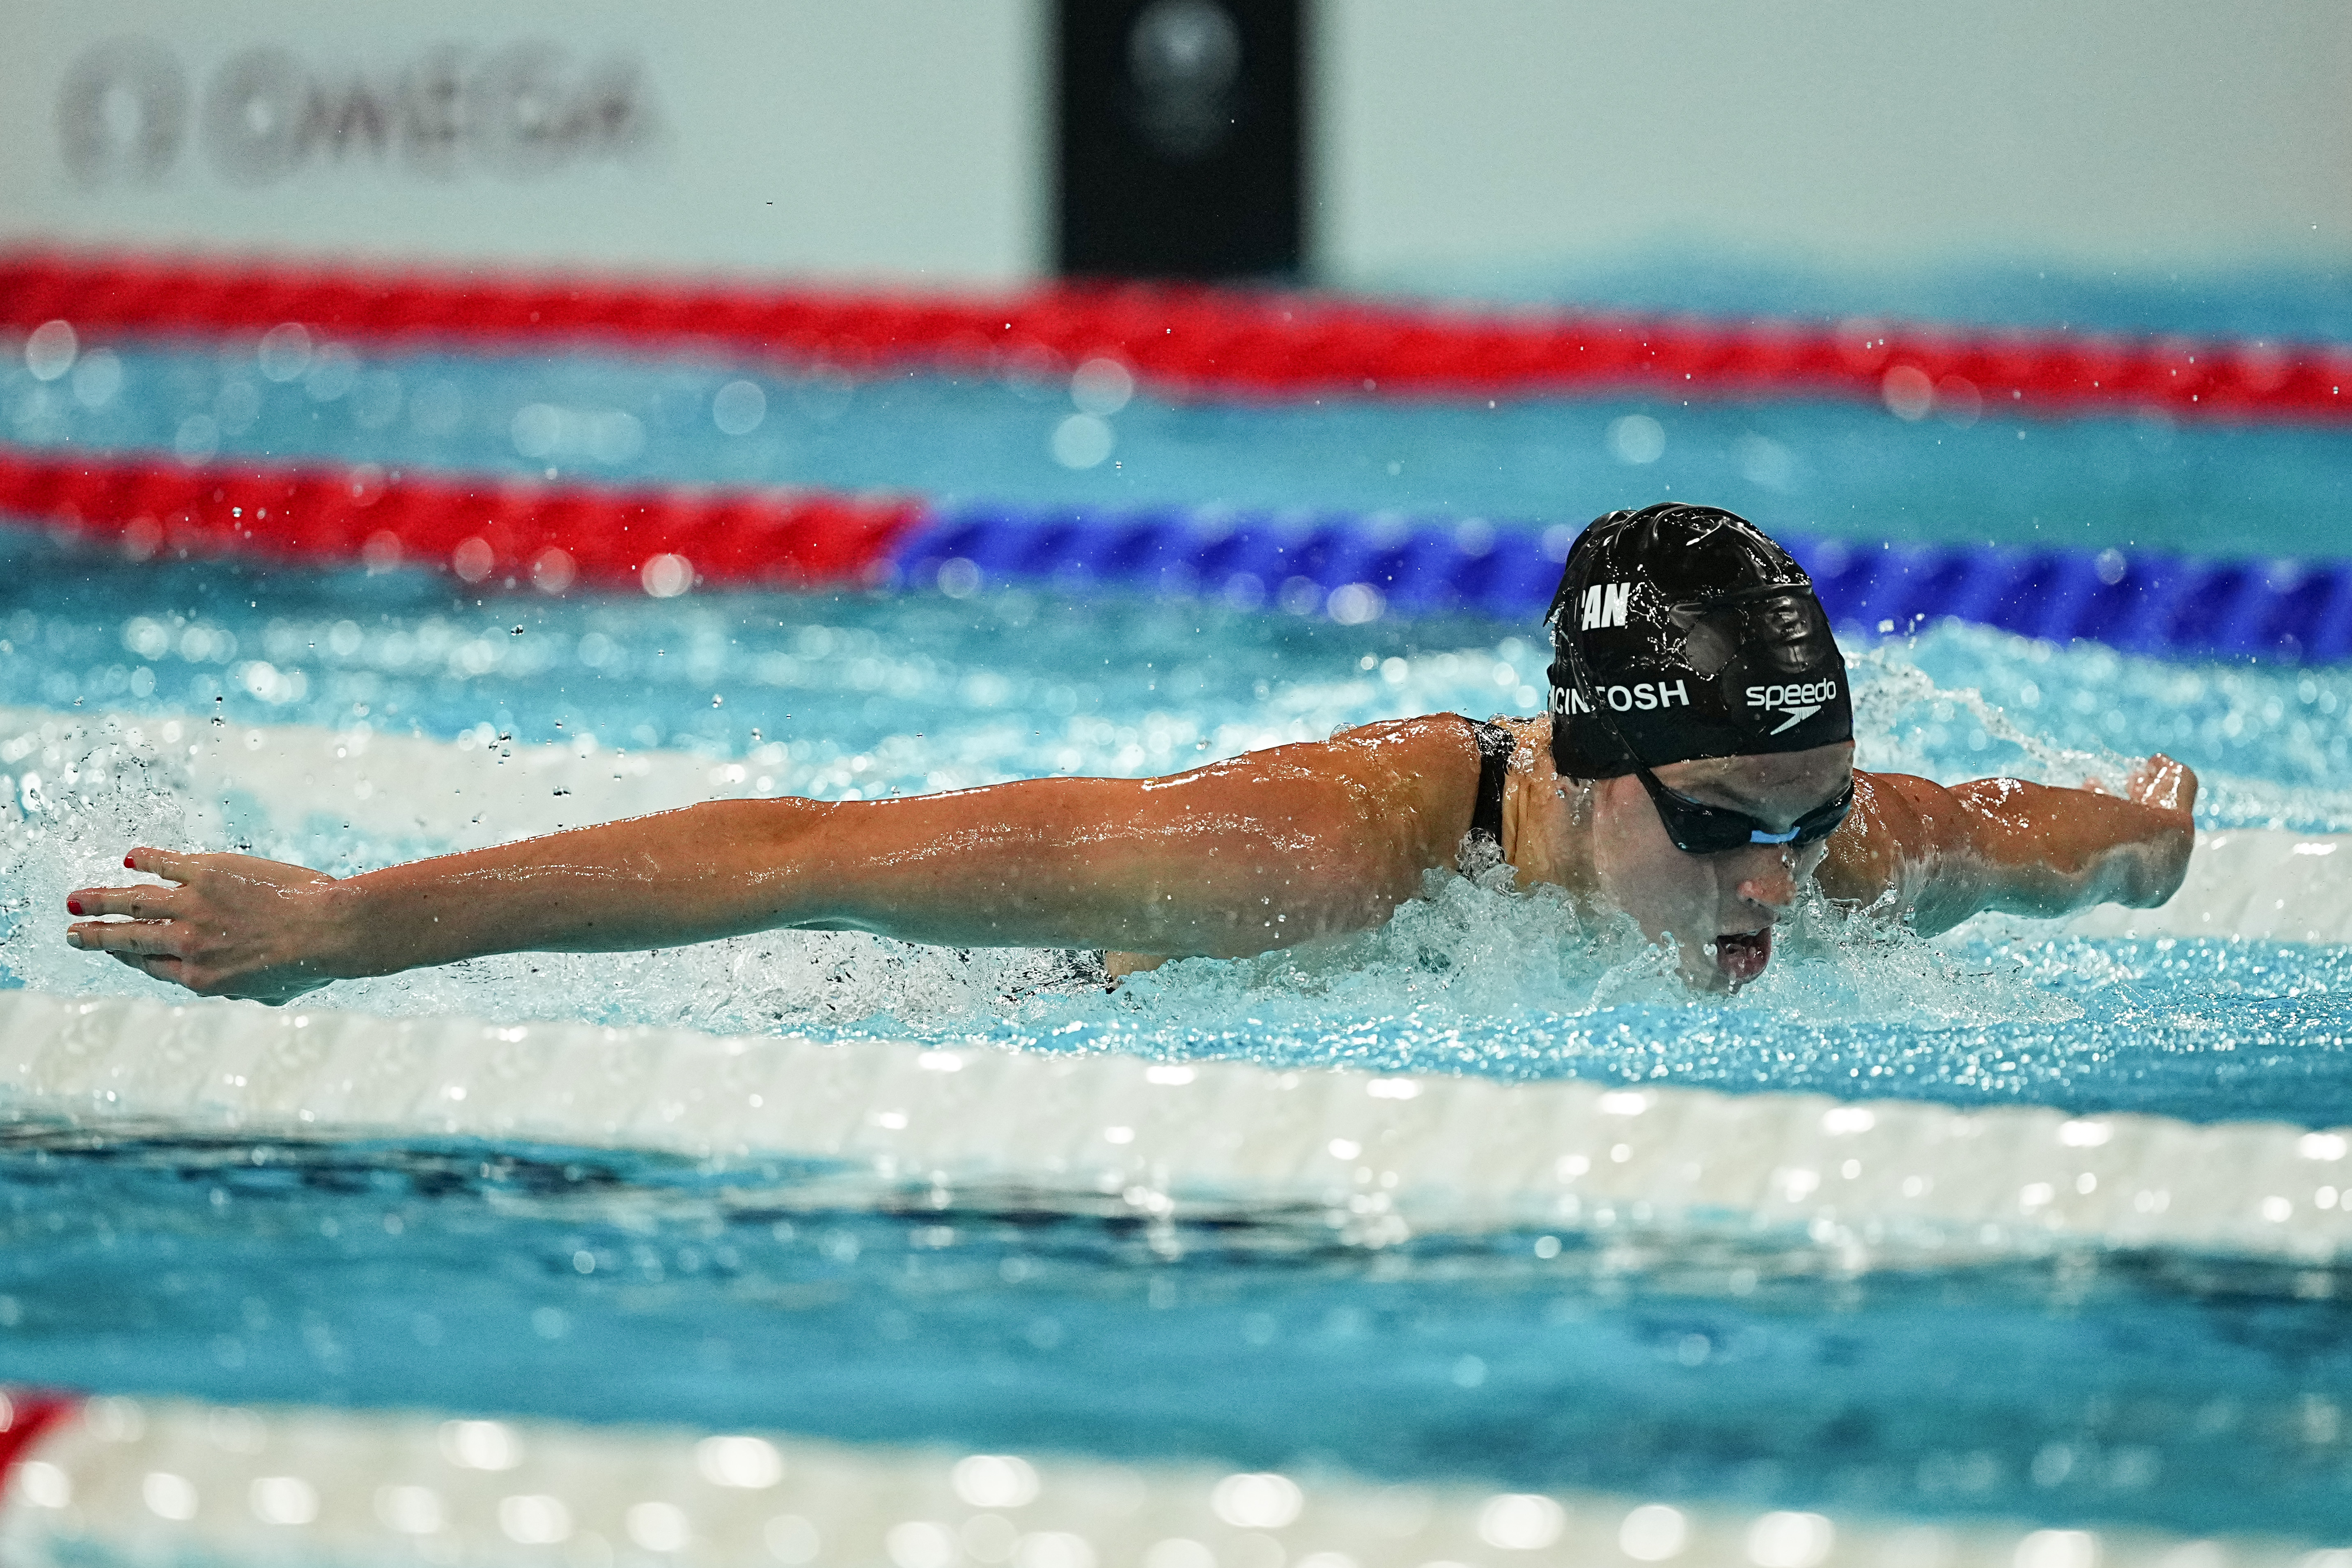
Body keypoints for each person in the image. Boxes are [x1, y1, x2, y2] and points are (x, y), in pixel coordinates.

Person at [62, 504, 2196, 1004]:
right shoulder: (1304, 857)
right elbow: (796, 850)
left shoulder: (1832, 846)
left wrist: (2147, 849)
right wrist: (347, 920)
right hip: (1000, 993)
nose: (1779, 881)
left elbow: (2065, 839)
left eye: (1806, 819)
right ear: (1579, 761)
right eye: (1730, 832)